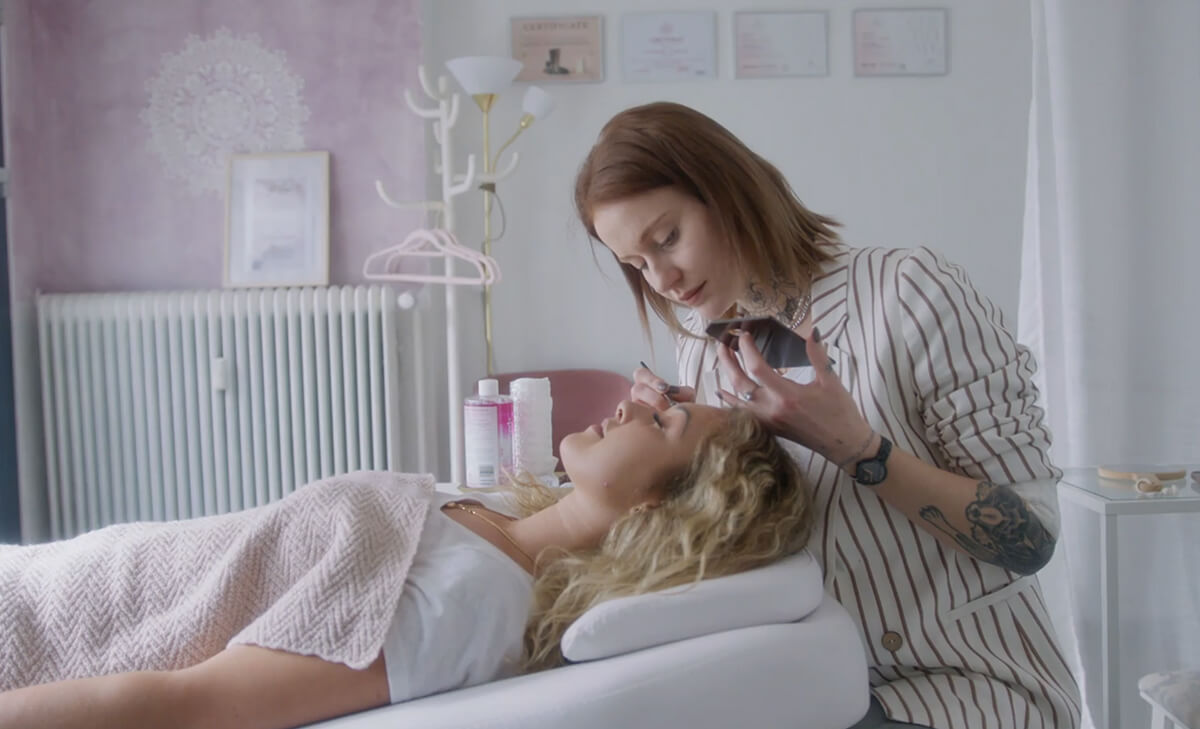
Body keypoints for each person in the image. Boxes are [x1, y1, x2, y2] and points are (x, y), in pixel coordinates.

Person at [573, 101, 1082, 729]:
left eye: (667, 239)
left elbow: (1031, 538)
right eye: (637, 265)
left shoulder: (908, 291)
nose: (665, 279)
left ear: (729, 192)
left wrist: (862, 452)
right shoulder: (701, 350)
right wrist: (670, 450)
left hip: (965, 683)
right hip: (810, 686)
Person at [0, 400, 812, 729]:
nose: (636, 401)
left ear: (657, 508)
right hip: (55, 575)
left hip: (45, 634)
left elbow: (191, 703)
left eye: (665, 419)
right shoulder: (489, 518)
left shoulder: (468, 604)